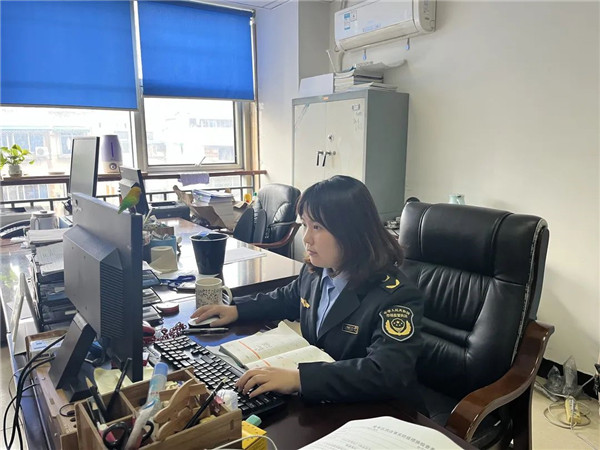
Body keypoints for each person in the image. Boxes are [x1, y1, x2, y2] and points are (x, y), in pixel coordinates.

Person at [191, 175, 425, 410]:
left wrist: (299, 379)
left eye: (317, 227)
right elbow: (286, 298)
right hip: (328, 402)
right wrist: (237, 310)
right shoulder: (317, 271)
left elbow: (385, 372)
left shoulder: (395, 296)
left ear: (351, 232)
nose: (306, 238)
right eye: (304, 224)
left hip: (382, 412)